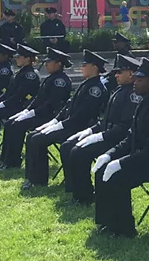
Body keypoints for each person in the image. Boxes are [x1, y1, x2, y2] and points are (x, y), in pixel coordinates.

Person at [93, 58, 149, 237]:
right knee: (102, 169)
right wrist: (110, 155)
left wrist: (121, 164)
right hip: (146, 158)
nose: (135, 81)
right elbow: (130, 139)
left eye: (140, 80)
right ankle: (107, 221)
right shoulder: (145, 103)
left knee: (119, 178)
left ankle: (124, 229)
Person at [62, 54, 142, 204]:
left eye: (120, 72)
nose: (116, 75)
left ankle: (84, 196)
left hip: (118, 140)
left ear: (130, 73)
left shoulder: (132, 94)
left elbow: (125, 127)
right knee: (72, 147)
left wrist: (101, 136)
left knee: (79, 153)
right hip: (109, 135)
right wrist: (90, 131)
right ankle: (78, 191)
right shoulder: (120, 90)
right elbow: (106, 120)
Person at [21, 49, 107, 189]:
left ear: (95, 68)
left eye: (85, 65)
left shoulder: (95, 88)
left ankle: (39, 180)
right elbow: (68, 106)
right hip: (69, 124)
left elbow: (83, 114)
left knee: (37, 139)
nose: (82, 67)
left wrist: (61, 125)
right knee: (33, 136)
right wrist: (54, 122)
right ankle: (33, 177)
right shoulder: (87, 84)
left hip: (80, 127)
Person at [0, 47, 72, 170]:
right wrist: (26, 111)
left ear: (58, 64)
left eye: (49, 62)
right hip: (41, 113)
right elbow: (38, 99)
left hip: (49, 116)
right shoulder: (51, 77)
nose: (46, 64)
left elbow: (51, 105)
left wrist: (32, 113)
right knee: (11, 123)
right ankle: (6, 159)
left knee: (17, 125)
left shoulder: (60, 81)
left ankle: (13, 161)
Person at [0, 44, 40, 155]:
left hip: (21, 106)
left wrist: (2, 104)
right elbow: (9, 93)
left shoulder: (30, 75)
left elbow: (19, 96)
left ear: (28, 59)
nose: (16, 59)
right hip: (12, 103)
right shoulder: (20, 72)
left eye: (19, 57)